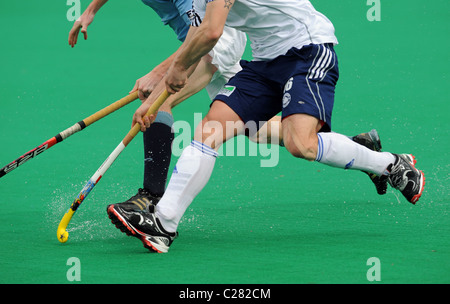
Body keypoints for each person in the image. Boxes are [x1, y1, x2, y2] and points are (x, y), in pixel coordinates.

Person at [106, 0, 425, 253]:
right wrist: (159, 95)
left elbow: (213, 33)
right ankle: (164, 224)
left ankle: (393, 166)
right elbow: (198, 42)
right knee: (211, 130)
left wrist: (172, 74)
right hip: (264, 64)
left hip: (307, 51)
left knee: (300, 144)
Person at [69, 0, 386, 216]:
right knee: (257, 131)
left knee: (158, 104)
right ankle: (358, 150)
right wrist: (91, 12)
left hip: (214, 42)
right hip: (200, 44)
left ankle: (151, 197)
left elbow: (207, 32)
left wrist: (161, 73)